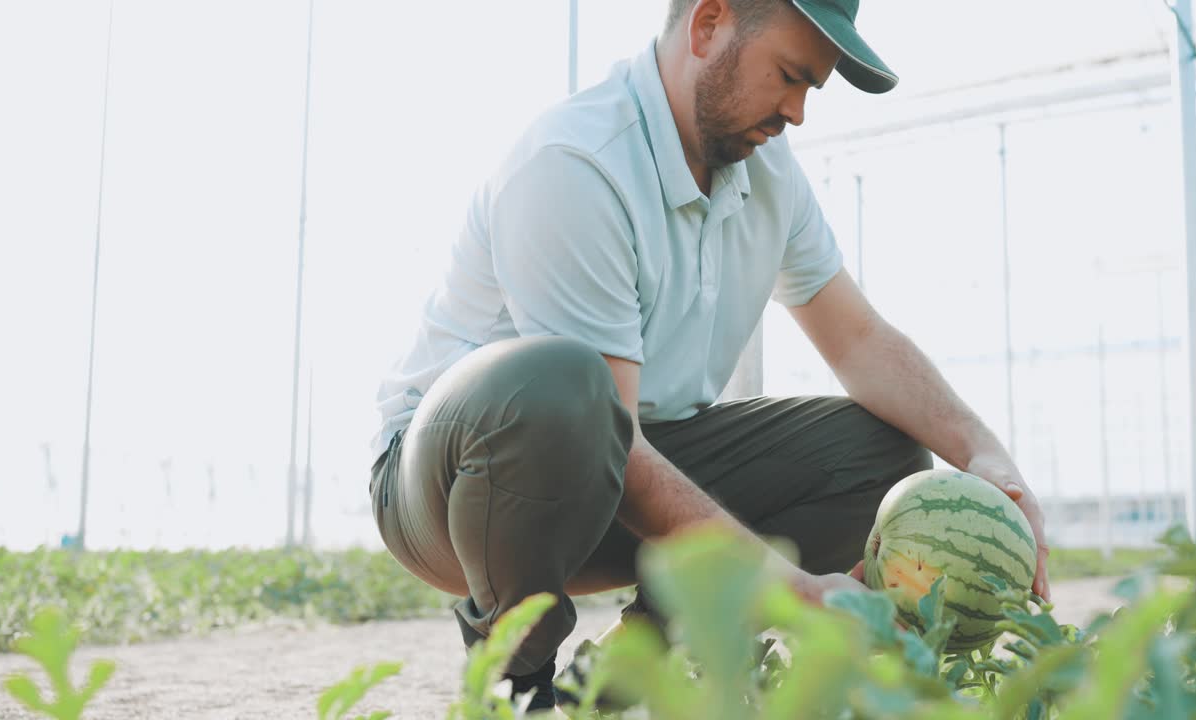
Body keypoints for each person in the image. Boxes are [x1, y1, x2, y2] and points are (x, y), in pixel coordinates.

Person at [368, 0, 1050, 711]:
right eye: (788, 76)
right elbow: (614, 443)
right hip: (460, 494)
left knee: (878, 451)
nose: (797, 113)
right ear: (708, 23)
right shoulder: (576, 164)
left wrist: (982, 452)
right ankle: (518, 677)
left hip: (619, 466)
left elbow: (857, 338)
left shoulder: (768, 172)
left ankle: (617, 682)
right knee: (563, 388)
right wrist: (791, 587)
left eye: (810, 89)